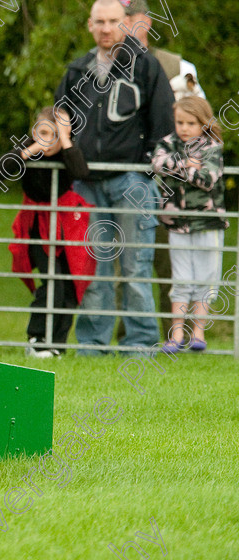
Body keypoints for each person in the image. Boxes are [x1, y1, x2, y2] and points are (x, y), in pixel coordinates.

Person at [55, 0, 175, 354]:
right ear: (89, 25)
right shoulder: (78, 70)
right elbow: (59, 114)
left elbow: (163, 123)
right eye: (100, 22)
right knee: (94, 267)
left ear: (126, 25)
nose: (106, 28)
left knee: (136, 266)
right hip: (86, 184)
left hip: (132, 182)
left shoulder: (146, 67)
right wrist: (69, 151)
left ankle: (140, 344)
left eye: (113, 21)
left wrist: (149, 169)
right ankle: (93, 344)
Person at [121, 0, 206, 338]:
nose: (123, 26)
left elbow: (201, 121)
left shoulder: (179, 66)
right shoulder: (99, 66)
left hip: (171, 181)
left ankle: (177, 336)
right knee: (124, 260)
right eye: (118, 18)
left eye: (130, 18)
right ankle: (126, 336)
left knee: (171, 263)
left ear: (146, 21)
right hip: (125, 178)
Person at [0, 109, 93, 357]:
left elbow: (81, 172)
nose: (48, 140)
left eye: (55, 135)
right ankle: (37, 338)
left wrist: (65, 139)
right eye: (43, 132)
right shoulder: (30, 149)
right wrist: (30, 150)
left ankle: (57, 344)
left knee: (69, 286)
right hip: (38, 226)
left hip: (66, 224)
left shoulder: (69, 152)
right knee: (52, 281)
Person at [151, 97, 226, 354]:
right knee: (181, 277)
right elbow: (157, 164)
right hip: (177, 222)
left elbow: (209, 179)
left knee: (206, 277)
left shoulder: (212, 147)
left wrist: (179, 168)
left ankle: (198, 331)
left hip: (207, 223)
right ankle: (177, 333)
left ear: (203, 123)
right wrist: (187, 165)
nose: (184, 128)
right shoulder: (168, 143)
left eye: (191, 123)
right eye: (180, 122)